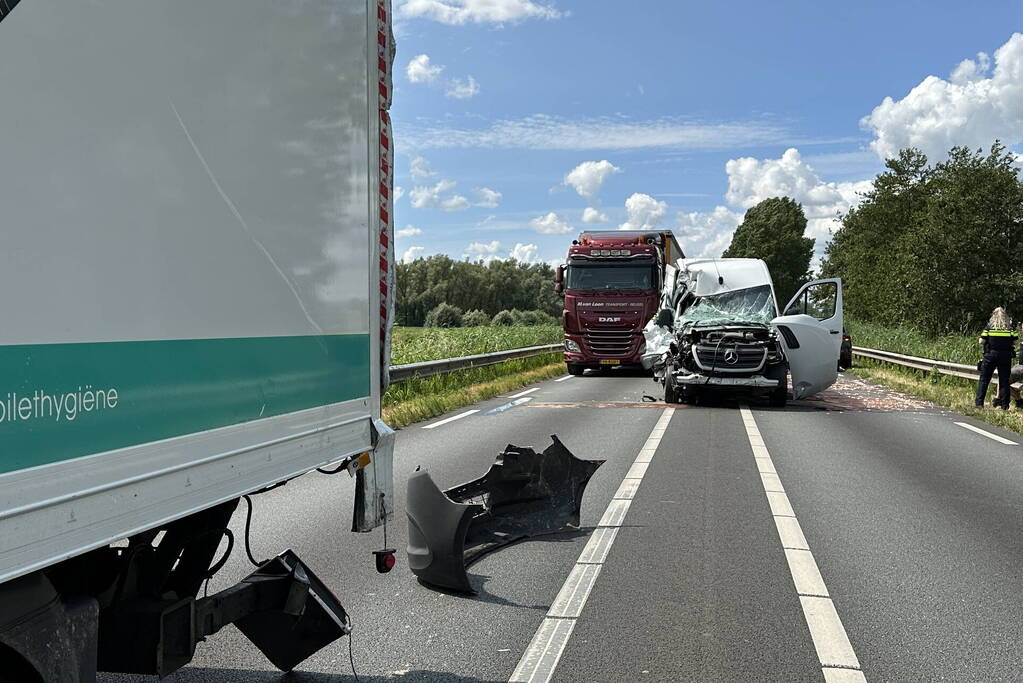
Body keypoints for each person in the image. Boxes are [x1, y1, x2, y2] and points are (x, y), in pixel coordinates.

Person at [975, 307, 1017, 410]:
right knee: (1004, 381)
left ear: (993, 315)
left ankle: (979, 404)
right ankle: (1004, 406)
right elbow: (1016, 342)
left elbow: (981, 341)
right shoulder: (1010, 328)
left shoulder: (989, 327)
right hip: (1005, 356)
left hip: (990, 355)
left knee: (984, 380)